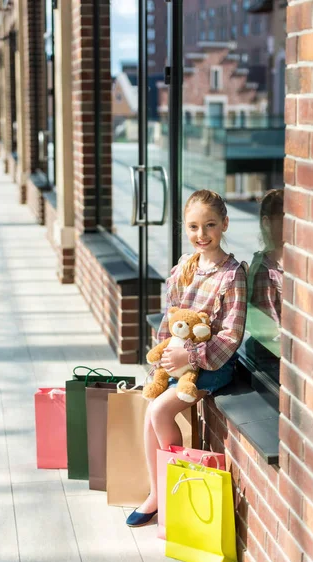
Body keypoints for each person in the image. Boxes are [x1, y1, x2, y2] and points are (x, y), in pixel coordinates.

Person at [126, 189, 247, 527]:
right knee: (152, 410)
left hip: (214, 366)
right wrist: (161, 363)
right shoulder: (183, 268)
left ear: (224, 223)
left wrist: (189, 356)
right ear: (185, 228)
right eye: (193, 227)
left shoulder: (232, 274)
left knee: (161, 409)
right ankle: (157, 492)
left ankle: (170, 489)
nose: (201, 235)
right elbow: (169, 322)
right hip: (178, 363)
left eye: (210, 225)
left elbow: (230, 336)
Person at [246, 189, 283, 369]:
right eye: (285, 220)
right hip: (269, 361)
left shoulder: (288, 264)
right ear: (268, 222)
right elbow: (269, 335)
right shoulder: (264, 271)